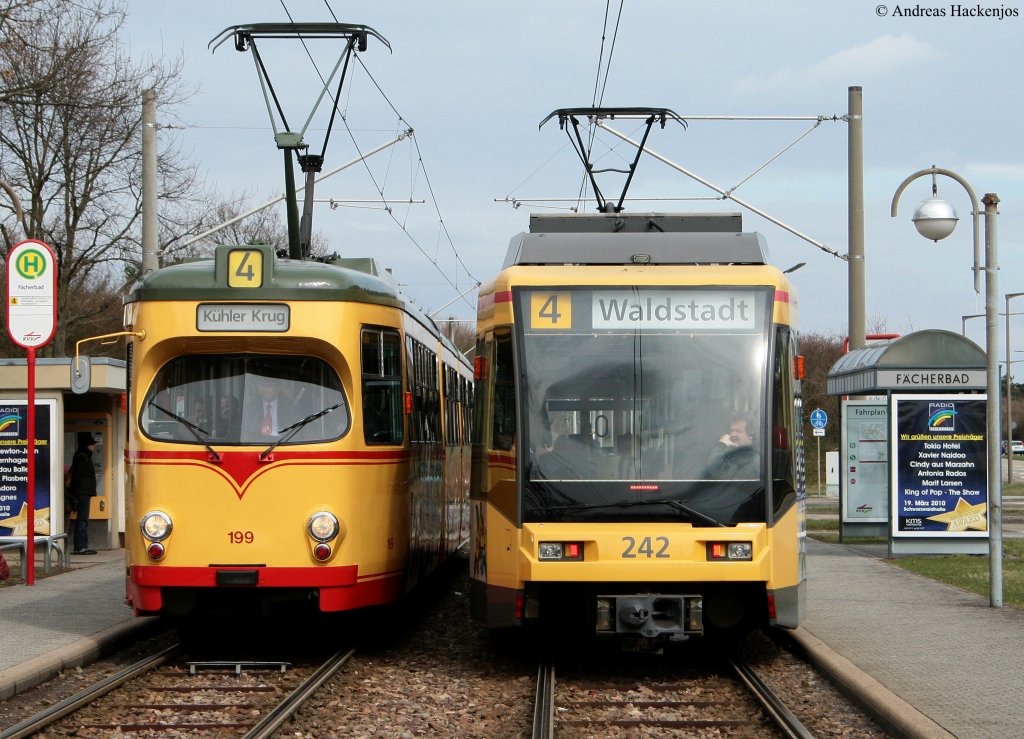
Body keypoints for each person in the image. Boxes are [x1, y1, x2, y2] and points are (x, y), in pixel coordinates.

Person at [68, 432, 99, 555]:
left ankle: (82, 545)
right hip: (82, 493)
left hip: (82, 492)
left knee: (83, 519)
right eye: (92, 444)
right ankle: (80, 546)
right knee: (82, 520)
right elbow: (78, 476)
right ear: (87, 445)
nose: (94, 446)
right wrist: (76, 491)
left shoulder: (82, 456)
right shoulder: (83, 457)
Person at [707, 414, 759, 479]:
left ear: (751, 435)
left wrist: (721, 446)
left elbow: (718, 473)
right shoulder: (733, 452)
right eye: (731, 431)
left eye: (738, 431)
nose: (733, 434)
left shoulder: (753, 458)